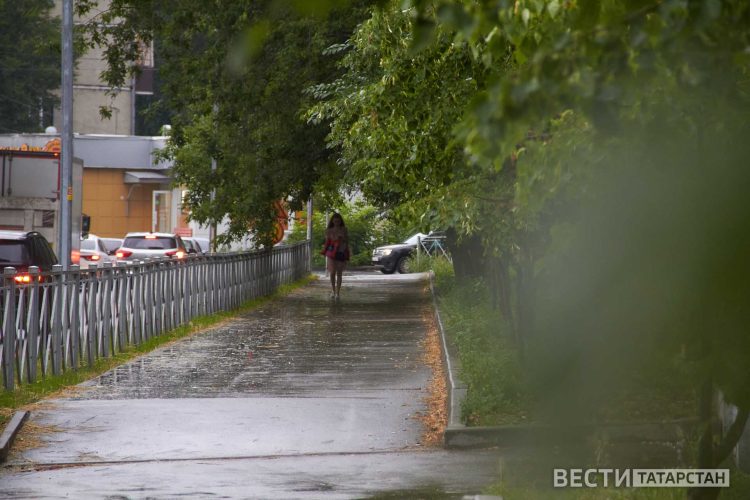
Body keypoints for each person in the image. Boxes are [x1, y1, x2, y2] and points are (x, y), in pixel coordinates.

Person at [320, 212, 349, 299]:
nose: (337, 223)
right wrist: (325, 250)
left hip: (341, 252)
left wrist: (342, 239)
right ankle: (333, 290)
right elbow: (327, 242)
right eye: (335, 221)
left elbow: (347, 241)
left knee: (339, 273)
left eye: (338, 221)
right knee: (332, 272)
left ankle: (338, 293)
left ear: (340, 221)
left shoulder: (344, 229)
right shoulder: (328, 230)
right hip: (331, 253)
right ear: (332, 221)